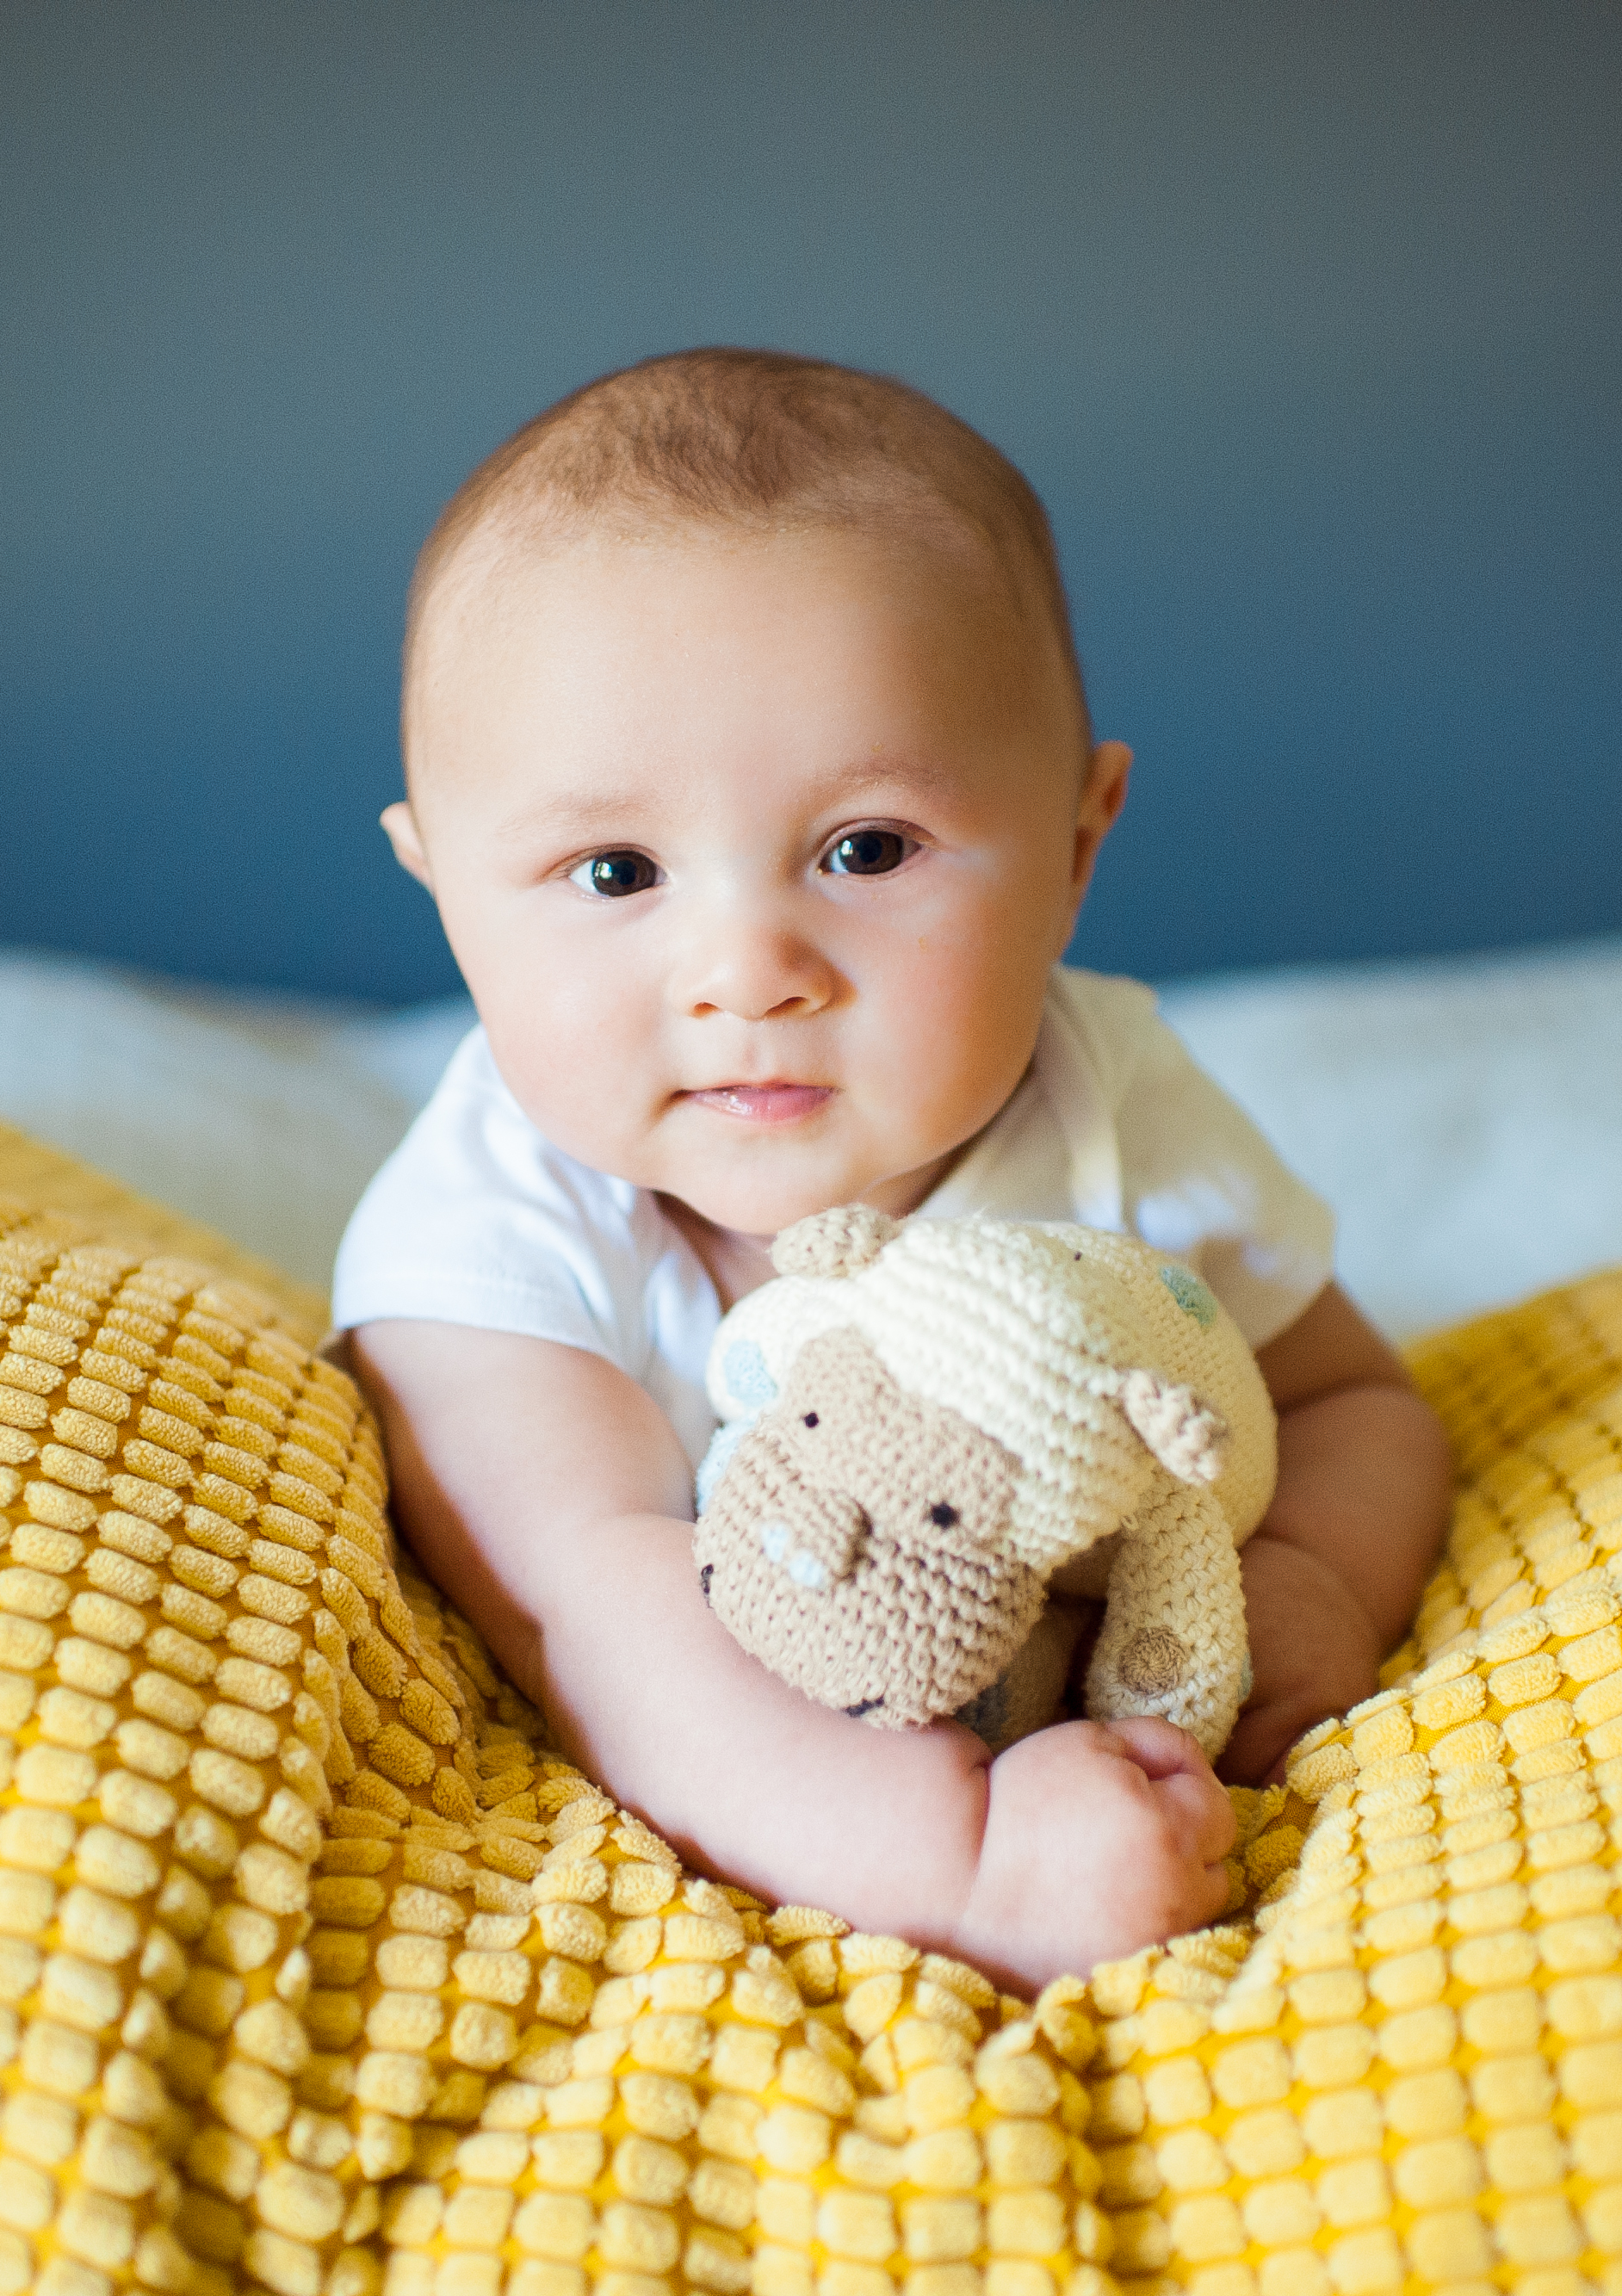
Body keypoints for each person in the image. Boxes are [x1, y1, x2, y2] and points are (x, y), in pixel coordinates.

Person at [333, 349, 1451, 1990]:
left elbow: (1358, 1405)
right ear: (443, 889)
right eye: (614, 868)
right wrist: (971, 1864)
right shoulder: (489, 1241)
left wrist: (1311, 1584)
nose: (747, 970)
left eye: (866, 850)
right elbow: (599, 1615)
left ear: (1077, 850)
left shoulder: (1111, 1097)